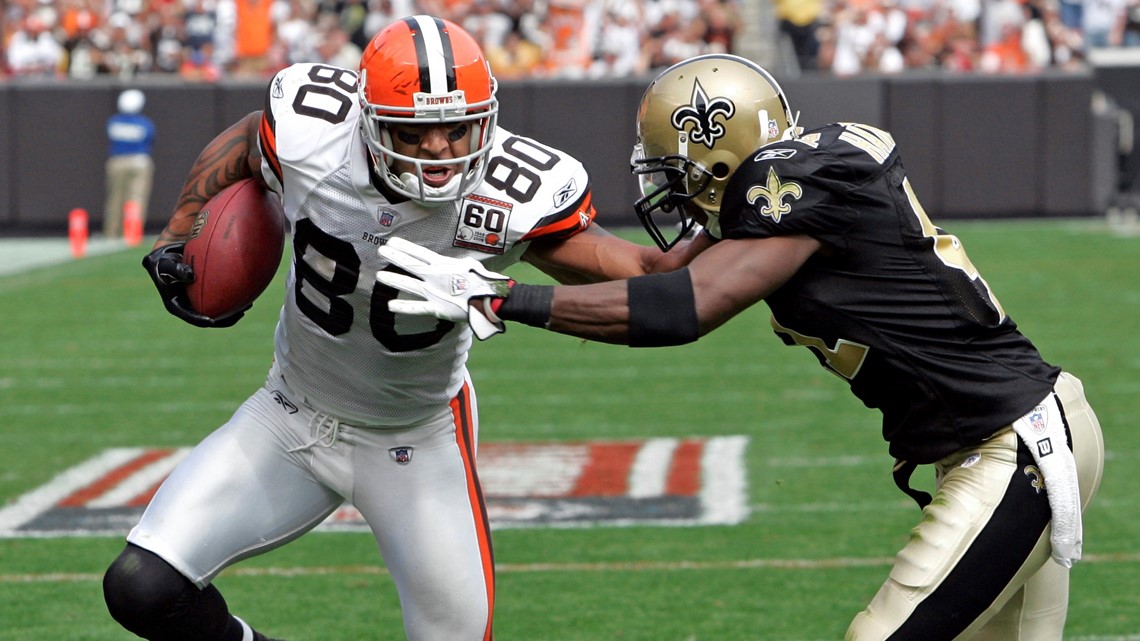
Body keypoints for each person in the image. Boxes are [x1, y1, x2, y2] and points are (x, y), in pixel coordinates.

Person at [376, 53, 1106, 640]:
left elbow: (685, 306)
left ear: (722, 158)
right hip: (1014, 436)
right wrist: (518, 243)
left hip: (1012, 449)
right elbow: (662, 270)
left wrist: (497, 299)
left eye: (678, 173)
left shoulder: (788, 186)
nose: (671, 195)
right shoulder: (803, 181)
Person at [102, 15, 699, 641]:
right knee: (143, 587)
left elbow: (644, 274)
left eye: (457, 127)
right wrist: (181, 230)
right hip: (288, 413)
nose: (442, 149)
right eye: (416, 132)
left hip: (416, 437)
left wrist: (725, 218)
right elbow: (247, 140)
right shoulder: (314, 136)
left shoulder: (507, 193)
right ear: (368, 119)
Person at [104, 88, 156, 240]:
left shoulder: (113, 122)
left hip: (117, 161)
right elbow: (150, 140)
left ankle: (111, 233)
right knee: (136, 199)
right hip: (139, 162)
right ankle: (132, 234)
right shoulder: (145, 124)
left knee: (115, 199)